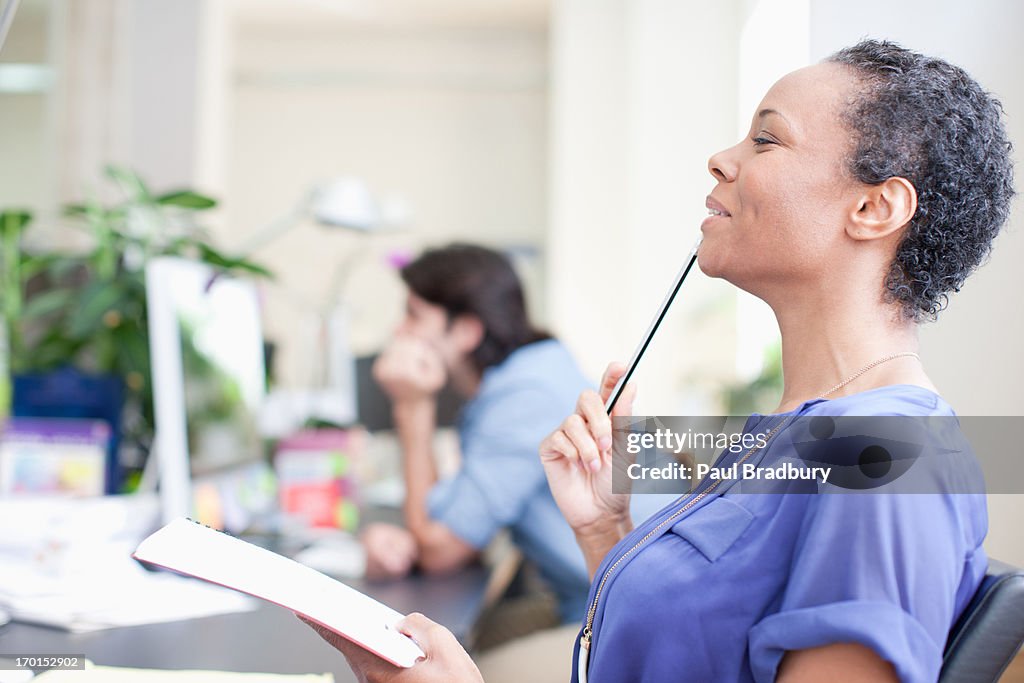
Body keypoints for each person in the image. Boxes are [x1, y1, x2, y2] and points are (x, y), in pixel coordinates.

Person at [306, 40, 1014, 682]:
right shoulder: (800, 433)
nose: (721, 158)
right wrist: (603, 530)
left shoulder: (888, 459)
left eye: (767, 139)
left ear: (875, 207)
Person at [359, 243, 593, 626]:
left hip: (617, 629)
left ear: (466, 330)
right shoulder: (528, 376)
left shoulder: (525, 399)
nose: (399, 331)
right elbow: (453, 531)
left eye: (413, 316)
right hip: (588, 610)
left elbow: (440, 550)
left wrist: (412, 406)